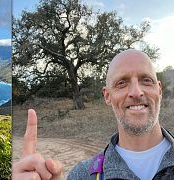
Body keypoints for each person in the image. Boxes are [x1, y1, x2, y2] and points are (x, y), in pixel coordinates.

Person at [12, 49, 174, 180]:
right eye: (121, 83)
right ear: (107, 96)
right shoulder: (81, 175)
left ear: (159, 89)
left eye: (146, 80)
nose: (136, 92)